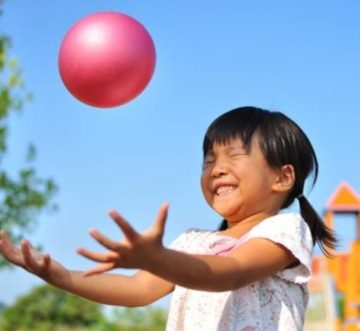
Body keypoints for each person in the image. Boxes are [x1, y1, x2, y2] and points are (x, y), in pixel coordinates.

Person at [0, 106, 336, 330]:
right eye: (208, 161)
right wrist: (60, 276)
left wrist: (159, 259)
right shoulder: (191, 242)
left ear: (282, 177)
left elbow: (230, 272)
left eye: (234, 156)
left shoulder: (285, 230)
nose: (217, 169)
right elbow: (137, 289)